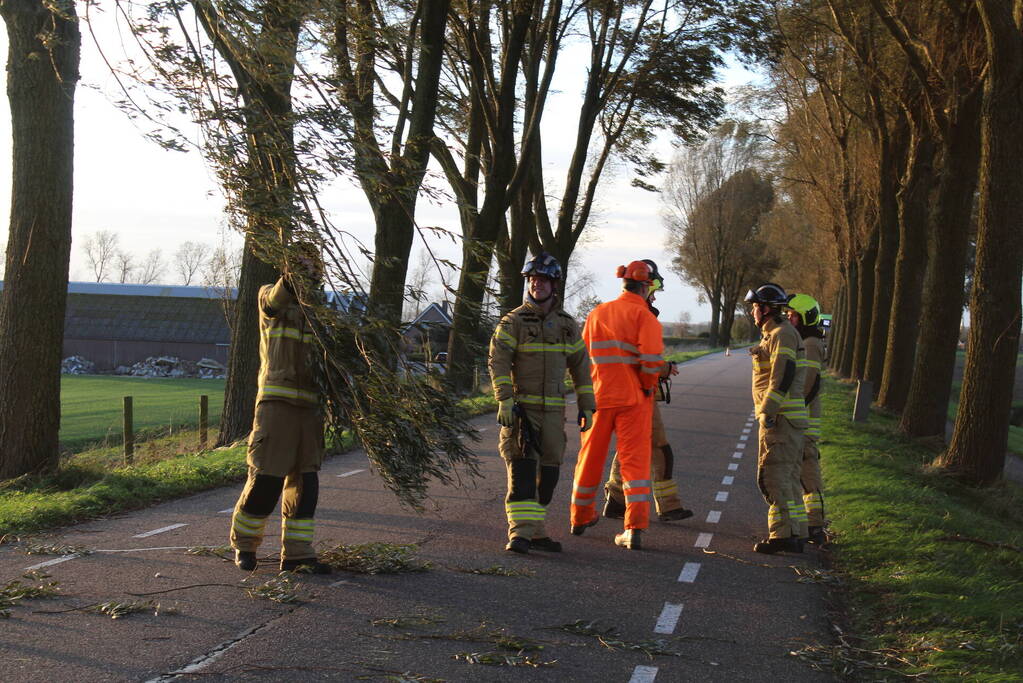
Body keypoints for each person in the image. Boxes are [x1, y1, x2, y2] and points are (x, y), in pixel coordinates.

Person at [229, 243, 332, 574]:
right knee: (267, 480)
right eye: (306, 267)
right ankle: (244, 545)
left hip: (311, 409)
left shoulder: (321, 313)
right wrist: (292, 277)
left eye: (315, 268)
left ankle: (298, 553)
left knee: (306, 485)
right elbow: (276, 299)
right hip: (277, 404)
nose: (312, 274)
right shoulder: (269, 298)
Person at [488, 252, 595, 554]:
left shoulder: (566, 325)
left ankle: (536, 531)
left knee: (548, 477)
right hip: (522, 412)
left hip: (554, 414)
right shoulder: (513, 322)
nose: (537, 284)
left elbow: (581, 366)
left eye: (543, 280)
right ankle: (519, 535)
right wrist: (505, 400)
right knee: (522, 473)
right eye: (533, 280)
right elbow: (498, 362)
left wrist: (587, 403)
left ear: (554, 285)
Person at [570, 261, 664, 550]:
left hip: (598, 397)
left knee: (589, 457)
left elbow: (582, 359)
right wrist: (648, 387)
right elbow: (650, 364)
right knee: (634, 463)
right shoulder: (645, 316)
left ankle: (580, 517)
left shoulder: (596, 314)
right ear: (646, 286)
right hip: (633, 399)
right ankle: (633, 528)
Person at [603, 260, 693, 523]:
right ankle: (668, 505)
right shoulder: (640, 313)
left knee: (630, 447)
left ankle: (616, 501)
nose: (654, 296)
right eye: (652, 290)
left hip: (628, 390)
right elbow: (641, 355)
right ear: (645, 286)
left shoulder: (621, 311)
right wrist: (664, 368)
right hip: (639, 392)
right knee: (660, 448)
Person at [745, 282, 808, 554]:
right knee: (789, 477)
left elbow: (781, 377)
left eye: (756, 307)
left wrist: (767, 412)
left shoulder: (782, 334)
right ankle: (795, 534)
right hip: (785, 419)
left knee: (774, 476)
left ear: (767, 308)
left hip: (780, 419)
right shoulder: (774, 335)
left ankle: (781, 536)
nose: (753, 312)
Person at [786, 293, 828, 545]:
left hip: (805, 420)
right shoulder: (806, 340)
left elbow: (808, 383)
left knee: (808, 471)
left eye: (792, 315)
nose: (789, 319)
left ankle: (814, 523)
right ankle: (806, 521)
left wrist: (794, 409)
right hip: (802, 418)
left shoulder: (811, 344)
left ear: (805, 318)